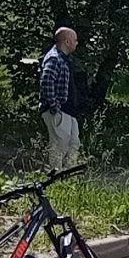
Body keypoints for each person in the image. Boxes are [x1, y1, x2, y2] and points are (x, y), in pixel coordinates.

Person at [38, 27, 81, 170]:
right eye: (75, 40)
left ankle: (69, 177)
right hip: (59, 111)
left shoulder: (64, 59)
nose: (77, 43)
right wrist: (54, 106)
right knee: (59, 147)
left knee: (74, 144)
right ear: (67, 41)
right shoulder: (54, 58)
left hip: (69, 111)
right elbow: (46, 81)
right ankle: (55, 178)